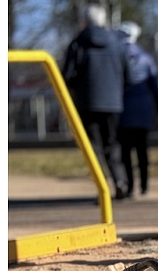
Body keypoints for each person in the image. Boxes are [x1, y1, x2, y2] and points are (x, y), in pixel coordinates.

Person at [61, 4, 131, 200]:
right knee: (112, 143)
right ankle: (120, 181)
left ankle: (102, 188)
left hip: (87, 101)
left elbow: (66, 75)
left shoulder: (78, 43)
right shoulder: (117, 43)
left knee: (94, 146)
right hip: (113, 103)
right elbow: (129, 75)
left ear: (85, 21)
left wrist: (79, 86)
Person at [116, 22, 158, 198]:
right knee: (142, 150)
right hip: (144, 111)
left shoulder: (116, 56)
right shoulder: (146, 58)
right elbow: (155, 87)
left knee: (125, 152)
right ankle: (144, 185)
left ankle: (129, 186)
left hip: (122, 111)